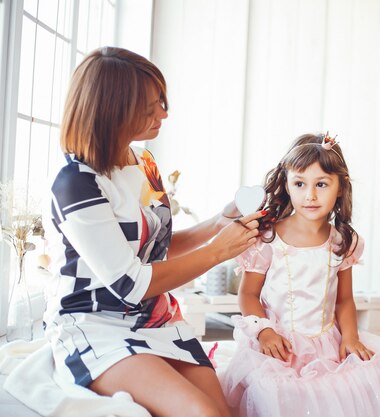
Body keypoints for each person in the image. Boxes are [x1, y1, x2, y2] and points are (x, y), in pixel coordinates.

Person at [43, 47, 263, 417]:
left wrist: (220, 222)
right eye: (150, 106)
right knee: (201, 413)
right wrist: (219, 252)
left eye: (161, 100)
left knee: (224, 411)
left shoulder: (143, 161)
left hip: (153, 319)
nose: (164, 112)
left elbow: (155, 249)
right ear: (113, 110)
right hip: (95, 324)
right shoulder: (76, 183)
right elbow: (132, 283)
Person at [219, 133, 380, 417]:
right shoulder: (268, 239)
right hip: (281, 342)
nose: (310, 195)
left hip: (325, 343)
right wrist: (264, 331)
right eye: (300, 184)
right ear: (287, 186)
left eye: (321, 184)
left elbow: (344, 300)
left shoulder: (341, 241)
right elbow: (248, 294)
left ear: (340, 187)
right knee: (274, 391)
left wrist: (350, 337)